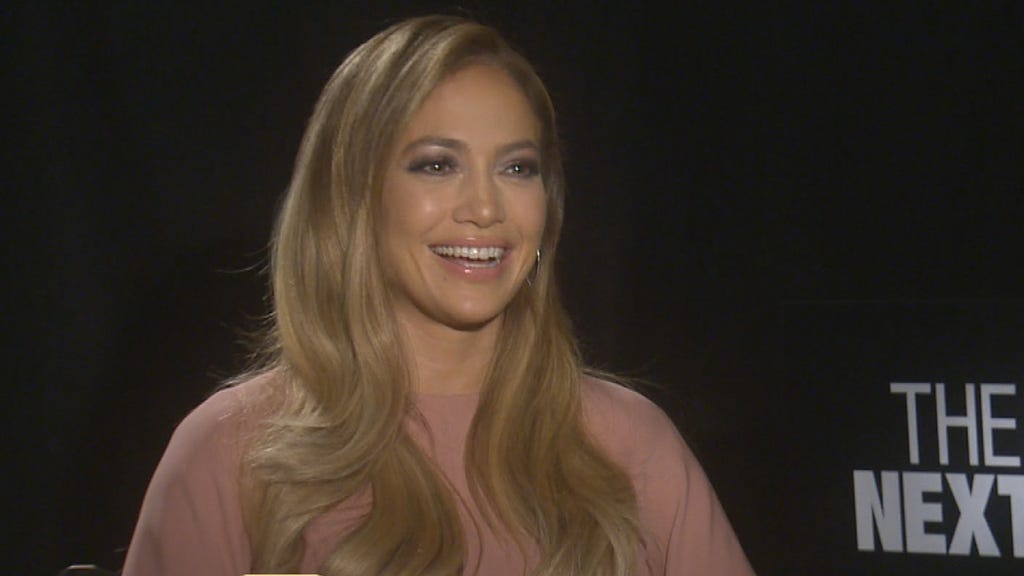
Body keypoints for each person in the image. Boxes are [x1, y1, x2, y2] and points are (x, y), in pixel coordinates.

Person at [122, 15, 755, 576]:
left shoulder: (629, 443)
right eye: (436, 164)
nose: (485, 208)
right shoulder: (231, 453)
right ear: (354, 196)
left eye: (517, 168)